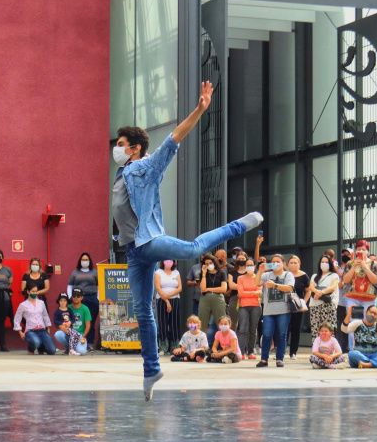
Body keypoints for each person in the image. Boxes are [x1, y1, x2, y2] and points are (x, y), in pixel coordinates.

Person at [112, 80, 264, 399]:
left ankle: (239, 225)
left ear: (135, 147)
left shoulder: (148, 166)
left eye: (122, 143)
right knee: (143, 311)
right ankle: (151, 370)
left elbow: (174, 139)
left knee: (195, 248)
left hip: (150, 240)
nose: (117, 147)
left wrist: (199, 109)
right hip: (133, 251)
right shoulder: (122, 173)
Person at [256, 254, 294, 368]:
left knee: (281, 335)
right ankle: (264, 359)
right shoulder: (267, 275)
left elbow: (289, 287)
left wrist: (275, 285)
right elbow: (256, 283)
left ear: (283, 263)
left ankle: (279, 359)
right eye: (273, 262)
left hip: (283, 310)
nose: (276, 264)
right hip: (268, 310)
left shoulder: (288, 274)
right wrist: (260, 271)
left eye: (278, 262)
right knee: (267, 334)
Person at [342, 240, 377, 313]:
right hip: (352, 297)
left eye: (363, 249)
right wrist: (353, 267)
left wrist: (365, 266)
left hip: (369, 298)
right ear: (356, 251)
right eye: (359, 249)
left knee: (368, 320)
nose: (361, 251)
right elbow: (346, 280)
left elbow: (375, 281)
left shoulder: (373, 263)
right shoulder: (349, 263)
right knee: (354, 322)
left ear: (367, 251)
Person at [67, 253, 99, 348]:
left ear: (89, 261)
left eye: (86, 259)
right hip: (78, 299)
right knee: (77, 321)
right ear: (80, 261)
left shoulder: (94, 272)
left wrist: (98, 298)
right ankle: (76, 342)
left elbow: (99, 286)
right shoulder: (75, 273)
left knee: (91, 322)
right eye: (83, 259)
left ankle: (90, 344)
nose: (85, 261)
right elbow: (70, 286)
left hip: (92, 298)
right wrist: (70, 297)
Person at [308, 254, 340, 344]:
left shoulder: (334, 275)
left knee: (329, 327)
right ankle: (316, 349)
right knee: (315, 328)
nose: (324, 264)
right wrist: (317, 291)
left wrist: (321, 292)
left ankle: (330, 348)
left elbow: (333, 287)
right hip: (315, 305)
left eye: (326, 262)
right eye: (322, 262)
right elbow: (311, 287)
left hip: (328, 305)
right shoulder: (315, 276)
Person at [13, 290, 55, 355]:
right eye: (33, 291)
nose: (34, 293)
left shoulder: (41, 303)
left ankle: (41, 348)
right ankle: (31, 349)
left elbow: (45, 315)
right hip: (30, 330)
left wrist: (48, 327)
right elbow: (17, 318)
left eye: (36, 291)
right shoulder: (23, 305)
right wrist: (20, 331)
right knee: (36, 342)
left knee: (52, 350)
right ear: (28, 292)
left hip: (42, 329)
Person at [154, 260, 182, 355]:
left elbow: (179, 288)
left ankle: (175, 346)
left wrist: (169, 295)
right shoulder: (158, 272)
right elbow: (158, 288)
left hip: (175, 299)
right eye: (167, 260)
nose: (169, 262)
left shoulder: (176, 272)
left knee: (174, 323)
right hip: (162, 300)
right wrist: (166, 300)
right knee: (163, 323)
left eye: (171, 260)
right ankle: (163, 347)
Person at [198, 254, 227, 342]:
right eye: (206, 264)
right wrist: (203, 274)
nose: (209, 265)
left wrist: (209, 289)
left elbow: (223, 288)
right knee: (202, 322)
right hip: (205, 299)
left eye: (210, 263)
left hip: (218, 298)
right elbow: (202, 288)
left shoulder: (221, 273)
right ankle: (202, 345)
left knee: (221, 322)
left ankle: (224, 345)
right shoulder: (203, 274)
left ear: (214, 262)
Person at [236, 258, 261, 360]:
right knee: (243, 329)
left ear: (255, 266)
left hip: (256, 305)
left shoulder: (259, 278)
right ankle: (241, 352)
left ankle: (250, 351)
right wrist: (253, 293)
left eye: (251, 265)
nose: (249, 267)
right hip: (243, 306)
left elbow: (260, 292)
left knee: (253, 330)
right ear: (245, 267)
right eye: (248, 265)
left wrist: (247, 293)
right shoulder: (240, 278)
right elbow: (240, 293)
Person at [286, 256, 310, 360]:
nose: (293, 264)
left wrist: (304, 301)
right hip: (285, 304)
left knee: (296, 328)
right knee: (284, 328)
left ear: (299, 264)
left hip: (297, 305)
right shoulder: (285, 275)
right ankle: (281, 351)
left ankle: (293, 352)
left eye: (295, 262)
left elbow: (308, 290)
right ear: (288, 264)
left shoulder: (304, 276)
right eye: (291, 262)